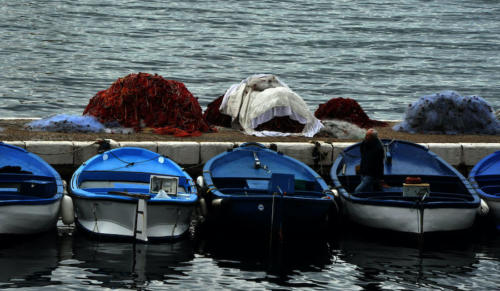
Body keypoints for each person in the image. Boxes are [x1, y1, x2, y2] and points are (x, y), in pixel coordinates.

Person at [355, 128, 385, 193]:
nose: (365, 137)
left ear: (372, 137)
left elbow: (380, 164)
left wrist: (380, 178)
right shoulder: (364, 143)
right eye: (366, 135)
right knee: (368, 191)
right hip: (363, 171)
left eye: (367, 136)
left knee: (357, 191)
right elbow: (362, 154)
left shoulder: (378, 148)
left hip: (370, 175)